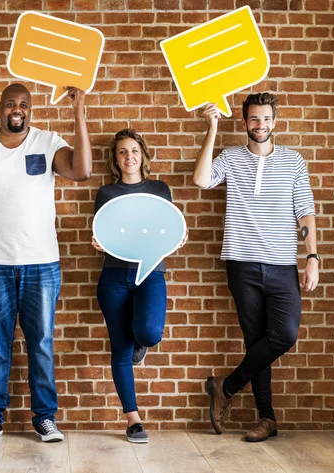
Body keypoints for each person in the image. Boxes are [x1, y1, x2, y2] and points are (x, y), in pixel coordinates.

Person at [0, 83, 91, 443]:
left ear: (32, 109)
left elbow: (81, 171)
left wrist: (78, 112)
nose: (18, 109)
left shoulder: (47, 142)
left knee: (41, 343)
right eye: (11, 104)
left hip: (41, 263)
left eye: (24, 104)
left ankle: (45, 418)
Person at [193, 93, 319, 442]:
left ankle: (226, 386)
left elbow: (304, 211)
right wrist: (213, 128)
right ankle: (267, 418)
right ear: (245, 122)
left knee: (283, 335)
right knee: (255, 342)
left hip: (281, 265)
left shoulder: (293, 161)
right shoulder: (231, 158)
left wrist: (312, 258)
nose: (260, 125)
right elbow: (202, 180)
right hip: (241, 262)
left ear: (274, 122)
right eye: (253, 119)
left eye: (266, 119)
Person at [92, 129, 185, 444]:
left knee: (148, 332)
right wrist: (99, 243)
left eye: (133, 150)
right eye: (122, 152)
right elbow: (104, 233)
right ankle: (133, 420)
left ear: (143, 154)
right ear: (115, 160)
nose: (128, 157)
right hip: (114, 277)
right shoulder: (106, 193)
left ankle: (140, 343)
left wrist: (176, 237)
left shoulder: (159, 189)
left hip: (151, 273)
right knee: (119, 349)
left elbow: (167, 229)